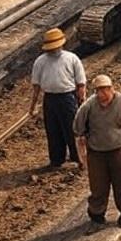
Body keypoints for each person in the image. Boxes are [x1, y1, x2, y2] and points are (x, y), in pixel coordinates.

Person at [73, 74, 121, 234]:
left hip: (120, 150)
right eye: (99, 91)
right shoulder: (88, 107)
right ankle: (97, 217)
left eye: (105, 90)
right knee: (98, 187)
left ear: (112, 89)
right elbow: (78, 132)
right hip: (96, 153)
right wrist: (82, 157)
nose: (102, 94)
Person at [29, 28, 86, 169]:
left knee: (72, 129)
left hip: (68, 97)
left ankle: (77, 158)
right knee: (53, 129)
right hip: (50, 98)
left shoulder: (71, 58)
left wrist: (82, 99)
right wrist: (33, 105)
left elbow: (81, 83)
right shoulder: (40, 62)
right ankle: (56, 159)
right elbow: (36, 86)